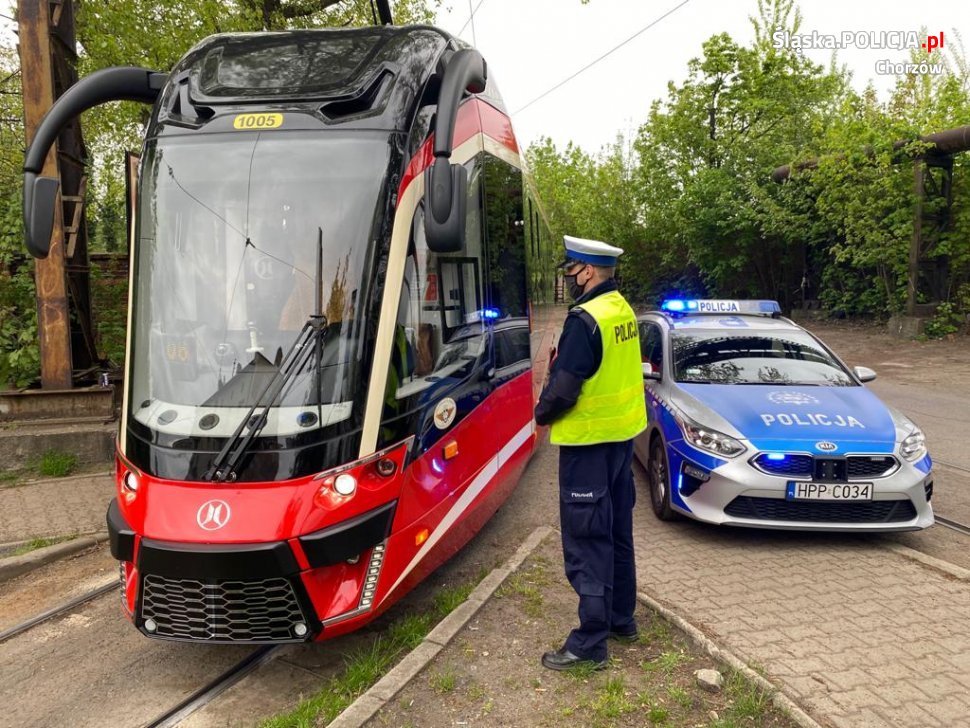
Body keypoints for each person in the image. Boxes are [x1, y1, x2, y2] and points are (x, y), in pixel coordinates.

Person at [535, 235, 648, 671]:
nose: (570, 277)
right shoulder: (621, 310)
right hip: (621, 442)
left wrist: (540, 413)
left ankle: (589, 644)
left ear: (586, 271)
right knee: (617, 533)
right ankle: (622, 620)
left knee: (587, 541)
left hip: (587, 447)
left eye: (572, 269)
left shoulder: (585, 320)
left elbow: (565, 387)